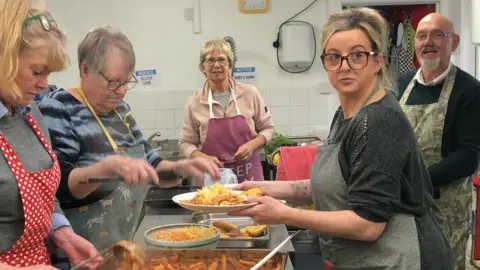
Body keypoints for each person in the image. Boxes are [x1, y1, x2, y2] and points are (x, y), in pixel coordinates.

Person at [230, 7, 452, 269]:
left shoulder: (379, 120)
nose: (344, 66)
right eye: (334, 57)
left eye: (357, 55)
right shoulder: (346, 113)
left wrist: (284, 214)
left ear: (378, 60)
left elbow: (368, 225)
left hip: (401, 258)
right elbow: (338, 185)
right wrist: (257, 188)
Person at [38, 26, 220, 250]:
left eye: (126, 82)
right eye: (114, 82)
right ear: (85, 70)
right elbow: (58, 188)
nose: (122, 91)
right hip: (77, 252)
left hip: (121, 247)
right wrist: (106, 169)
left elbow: (152, 167)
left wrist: (185, 168)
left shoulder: (121, 110)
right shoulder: (58, 107)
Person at [0, 1, 100, 269]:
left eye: (48, 73)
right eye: (37, 71)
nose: (45, 84)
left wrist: (62, 232)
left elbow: (41, 192)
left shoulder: (29, 112)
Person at [396, 13, 480, 270]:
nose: (428, 41)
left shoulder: (470, 90)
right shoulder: (400, 85)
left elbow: (469, 155)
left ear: (454, 43)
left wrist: (418, 181)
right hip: (402, 203)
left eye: (437, 35)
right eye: (422, 36)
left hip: (446, 205)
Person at [178, 39, 274, 182]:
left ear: (230, 65)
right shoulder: (194, 102)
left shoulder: (250, 93)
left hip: (249, 176)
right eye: (210, 60)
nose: (216, 65)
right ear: (203, 67)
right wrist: (203, 158)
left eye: (222, 60)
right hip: (213, 178)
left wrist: (251, 145)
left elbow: (268, 129)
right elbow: (185, 143)